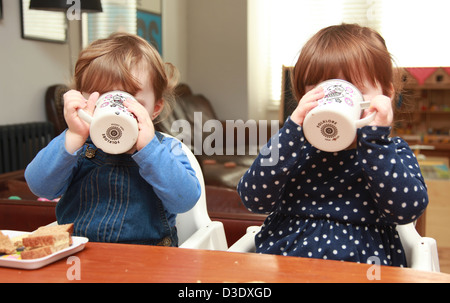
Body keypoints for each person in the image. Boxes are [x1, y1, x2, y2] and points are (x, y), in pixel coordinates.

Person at [237, 24, 428, 266]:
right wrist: (292, 131)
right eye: (322, 89)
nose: (337, 100)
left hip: (363, 265)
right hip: (286, 261)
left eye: (354, 89)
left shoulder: (392, 151)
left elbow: (407, 209)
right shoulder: (292, 147)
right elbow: (253, 199)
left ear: (385, 95)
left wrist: (375, 142)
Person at [25, 33, 201, 246]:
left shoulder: (166, 148)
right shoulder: (77, 145)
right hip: (81, 252)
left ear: (154, 109)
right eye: (104, 97)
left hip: (150, 258)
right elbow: (40, 187)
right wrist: (73, 136)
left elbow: (185, 200)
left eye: (131, 100)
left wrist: (150, 151)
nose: (116, 110)